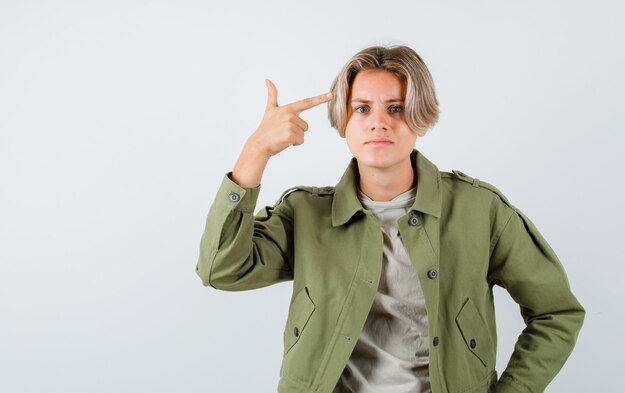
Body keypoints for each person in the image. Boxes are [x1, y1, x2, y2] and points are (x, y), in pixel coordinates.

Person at [196, 45, 585, 393]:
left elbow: (556, 312)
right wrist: (256, 151)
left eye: (395, 108)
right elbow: (221, 270)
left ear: (419, 116)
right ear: (343, 120)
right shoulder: (305, 213)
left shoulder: (479, 210)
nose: (378, 122)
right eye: (362, 108)